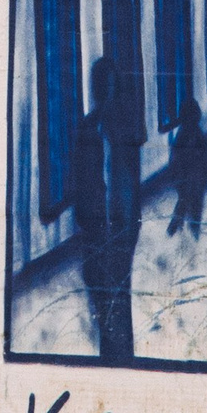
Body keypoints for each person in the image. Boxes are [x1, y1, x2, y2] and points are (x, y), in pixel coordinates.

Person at [70, 55, 144, 363]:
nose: (107, 92)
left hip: (121, 218)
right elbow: (81, 177)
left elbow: (131, 174)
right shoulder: (87, 128)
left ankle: (122, 352)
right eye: (103, 86)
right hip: (96, 222)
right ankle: (110, 350)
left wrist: (132, 218)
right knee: (101, 286)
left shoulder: (125, 126)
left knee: (119, 286)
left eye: (111, 85)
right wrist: (85, 220)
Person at [163, 98, 207, 239]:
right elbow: (204, 159)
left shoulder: (184, 135)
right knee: (189, 207)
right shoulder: (193, 134)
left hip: (192, 181)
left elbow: (175, 160)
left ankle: (176, 232)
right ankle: (180, 232)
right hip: (191, 181)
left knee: (185, 206)